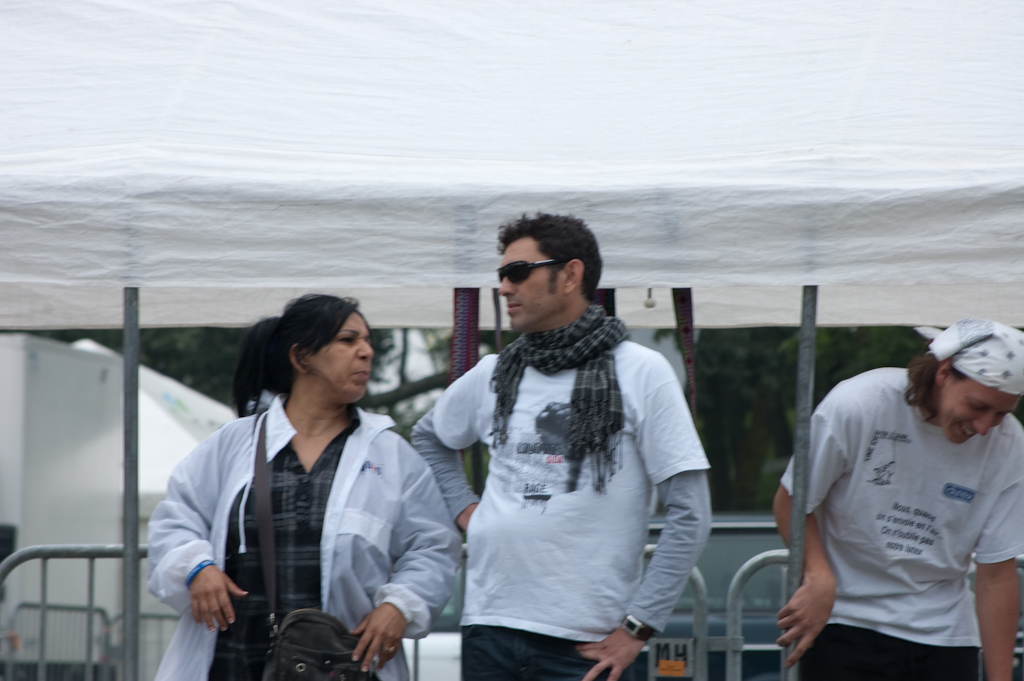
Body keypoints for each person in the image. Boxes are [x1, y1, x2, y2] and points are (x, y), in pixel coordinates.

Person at [411, 213, 712, 681]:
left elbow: (690, 512)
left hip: (586, 645)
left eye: (517, 272)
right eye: (501, 275)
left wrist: (638, 627)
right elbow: (428, 437)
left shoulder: (642, 371)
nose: (504, 288)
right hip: (489, 628)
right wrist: (465, 507)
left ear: (570, 275)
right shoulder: (494, 372)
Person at [147, 294, 461, 681]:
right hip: (234, 661)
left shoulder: (391, 455)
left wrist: (399, 606)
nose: (366, 352)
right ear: (302, 357)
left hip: (341, 666)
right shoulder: (233, 443)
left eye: (368, 341)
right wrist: (196, 567)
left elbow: (433, 547)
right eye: (348, 340)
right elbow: (175, 518)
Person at [773, 318, 1024, 681]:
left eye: (1001, 414)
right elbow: (792, 500)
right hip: (845, 624)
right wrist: (818, 574)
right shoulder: (859, 403)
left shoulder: (1010, 445)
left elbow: (997, 574)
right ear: (943, 372)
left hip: (946, 638)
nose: (985, 426)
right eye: (977, 406)